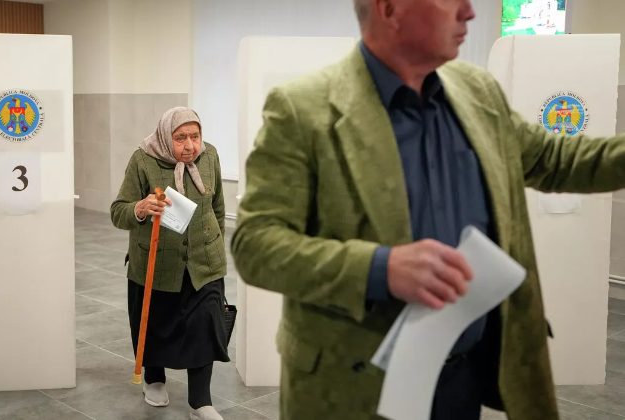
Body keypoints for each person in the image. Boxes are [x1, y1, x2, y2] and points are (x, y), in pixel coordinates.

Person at [230, 0, 625, 419]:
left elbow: (553, 159)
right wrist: (380, 269)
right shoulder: (302, 109)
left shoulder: (477, 91)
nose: (470, 12)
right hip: (354, 385)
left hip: (463, 374)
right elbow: (256, 245)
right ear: (389, 9)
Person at [111, 107, 229, 420]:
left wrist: (214, 246)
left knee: (205, 326)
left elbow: (217, 207)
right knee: (155, 323)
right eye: (180, 138)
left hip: (204, 264)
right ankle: (154, 379)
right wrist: (140, 208)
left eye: (195, 136)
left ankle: (200, 401)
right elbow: (118, 211)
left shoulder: (210, 156)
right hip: (156, 262)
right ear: (166, 137)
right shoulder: (143, 160)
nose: (190, 145)